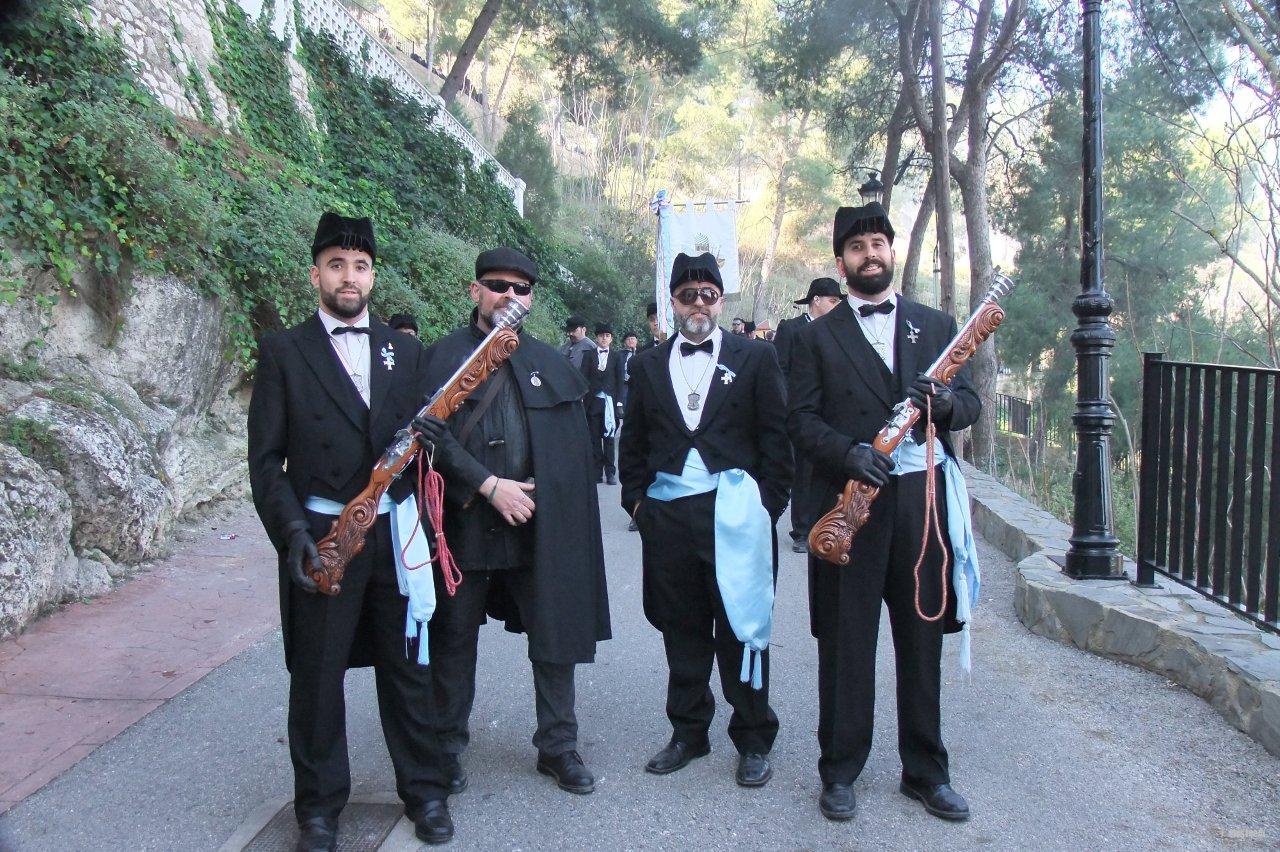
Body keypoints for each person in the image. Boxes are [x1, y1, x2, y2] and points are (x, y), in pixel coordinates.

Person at [247, 212, 454, 849]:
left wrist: (434, 445)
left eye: (360, 266)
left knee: (408, 668)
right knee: (316, 677)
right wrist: (292, 533)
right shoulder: (284, 351)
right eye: (336, 264)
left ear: (373, 276)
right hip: (323, 535)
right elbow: (266, 461)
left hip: (393, 535)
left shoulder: (406, 351)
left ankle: (425, 792)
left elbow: (420, 446)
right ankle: (317, 808)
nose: (349, 276)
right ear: (316, 274)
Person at [787, 202, 981, 823]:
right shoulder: (814, 337)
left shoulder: (938, 324)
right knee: (846, 641)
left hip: (921, 505)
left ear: (891, 251)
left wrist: (944, 405)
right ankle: (840, 770)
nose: (869, 255)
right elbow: (800, 421)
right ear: (840, 259)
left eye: (877, 243)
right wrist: (848, 453)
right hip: (851, 504)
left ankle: (926, 772)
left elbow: (971, 403)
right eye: (857, 246)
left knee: (921, 638)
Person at [414, 247, 611, 798]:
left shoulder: (550, 362)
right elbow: (427, 438)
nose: (510, 295)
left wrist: (545, 498)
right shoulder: (440, 358)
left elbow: (572, 458)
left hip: (534, 524)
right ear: (475, 290)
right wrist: (486, 484)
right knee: (454, 637)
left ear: (531, 299)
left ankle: (558, 746)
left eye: (521, 288)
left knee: (553, 636)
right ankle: (446, 746)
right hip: (463, 521)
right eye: (498, 284)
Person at [620, 252, 792, 789]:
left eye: (708, 295)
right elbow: (633, 442)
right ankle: (688, 732)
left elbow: (776, 438)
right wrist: (638, 505)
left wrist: (766, 509)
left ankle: (754, 737)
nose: (699, 303)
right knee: (682, 628)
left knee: (742, 627)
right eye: (688, 295)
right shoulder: (646, 365)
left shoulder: (756, 357)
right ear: (672, 302)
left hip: (736, 515)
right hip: (669, 516)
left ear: (721, 300)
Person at [773, 277, 844, 554]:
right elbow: (779, 370)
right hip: (801, 412)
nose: (836, 306)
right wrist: (789, 406)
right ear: (816, 300)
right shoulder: (790, 329)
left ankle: (828, 525)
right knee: (803, 472)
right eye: (833, 300)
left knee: (830, 470)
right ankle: (802, 531)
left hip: (833, 413)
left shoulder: (839, 330)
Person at [582, 322, 626, 484]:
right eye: (601, 336)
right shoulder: (589, 355)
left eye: (607, 336)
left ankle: (611, 472)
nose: (604, 338)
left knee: (609, 439)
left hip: (610, 404)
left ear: (611, 339)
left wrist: (619, 403)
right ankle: (597, 472)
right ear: (596, 338)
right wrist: (583, 398)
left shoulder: (617, 356)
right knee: (594, 439)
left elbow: (620, 381)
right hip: (593, 402)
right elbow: (583, 378)